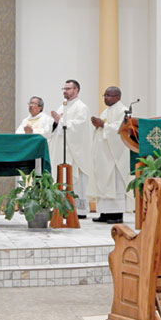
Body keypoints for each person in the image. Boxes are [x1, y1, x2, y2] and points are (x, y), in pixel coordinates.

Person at [48, 79, 93, 218]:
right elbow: (55, 127)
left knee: (76, 180)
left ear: (76, 90)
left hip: (74, 152)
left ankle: (78, 211)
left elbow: (78, 128)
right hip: (62, 150)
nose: (65, 91)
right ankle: (62, 208)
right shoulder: (63, 106)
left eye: (68, 88)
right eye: (64, 88)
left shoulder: (81, 107)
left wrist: (59, 121)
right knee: (61, 179)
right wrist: (56, 123)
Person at [89, 86, 130, 224]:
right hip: (104, 154)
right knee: (104, 182)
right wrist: (98, 125)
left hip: (115, 155)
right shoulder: (106, 111)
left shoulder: (123, 110)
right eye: (104, 95)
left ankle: (117, 215)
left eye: (109, 95)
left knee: (115, 183)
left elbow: (122, 130)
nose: (105, 98)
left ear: (117, 97)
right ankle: (105, 213)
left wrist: (103, 125)